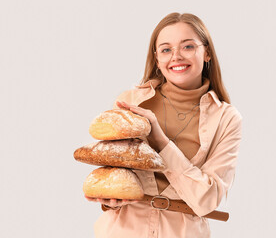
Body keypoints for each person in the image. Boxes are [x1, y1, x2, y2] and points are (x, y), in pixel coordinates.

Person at [86, 12, 243, 238]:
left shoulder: (227, 119)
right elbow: (114, 174)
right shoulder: (130, 103)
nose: (176, 57)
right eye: (166, 49)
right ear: (157, 59)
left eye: (188, 47)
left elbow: (207, 200)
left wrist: (160, 141)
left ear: (207, 52)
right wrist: (109, 199)